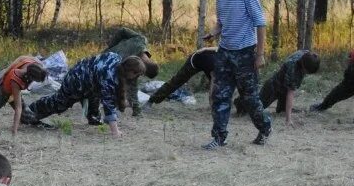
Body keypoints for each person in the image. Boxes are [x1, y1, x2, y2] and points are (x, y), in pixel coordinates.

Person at [203, 0, 271, 149]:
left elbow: (260, 24)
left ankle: (265, 128)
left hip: (245, 53)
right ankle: (219, 137)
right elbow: (221, 22)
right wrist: (213, 33)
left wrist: (260, 54)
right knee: (220, 96)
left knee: (249, 99)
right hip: (224, 52)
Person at [22, 53, 152, 138]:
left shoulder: (116, 58)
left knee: (95, 97)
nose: (136, 78)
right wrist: (115, 132)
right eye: (136, 75)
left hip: (89, 81)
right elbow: (108, 105)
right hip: (76, 80)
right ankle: (30, 113)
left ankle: (94, 118)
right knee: (59, 103)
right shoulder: (109, 78)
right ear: (129, 71)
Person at [88, 28, 158, 119]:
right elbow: (132, 88)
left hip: (100, 61)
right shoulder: (133, 65)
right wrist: (111, 47)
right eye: (141, 75)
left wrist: (111, 47)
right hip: (102, 67)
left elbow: (122, 31)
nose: (139, 76)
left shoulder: (141, 40)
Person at [238, 50, 321, 126]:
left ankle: (282, 109)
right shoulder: (292, 68)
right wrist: (288, 119)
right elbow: (290, 94)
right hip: (273, 88)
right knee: (255, 108)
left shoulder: (306, 54)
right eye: (307, 71)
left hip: (283, 88)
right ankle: (240, 103)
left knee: (282, 110)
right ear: (303, 66)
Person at [148, 47, 217, 105]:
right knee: (176, 82)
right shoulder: (217, 70)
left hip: (209, 62)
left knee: (220, 87)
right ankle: (152, 100)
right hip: (195, 60)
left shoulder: (225, 60)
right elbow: (213, 88)